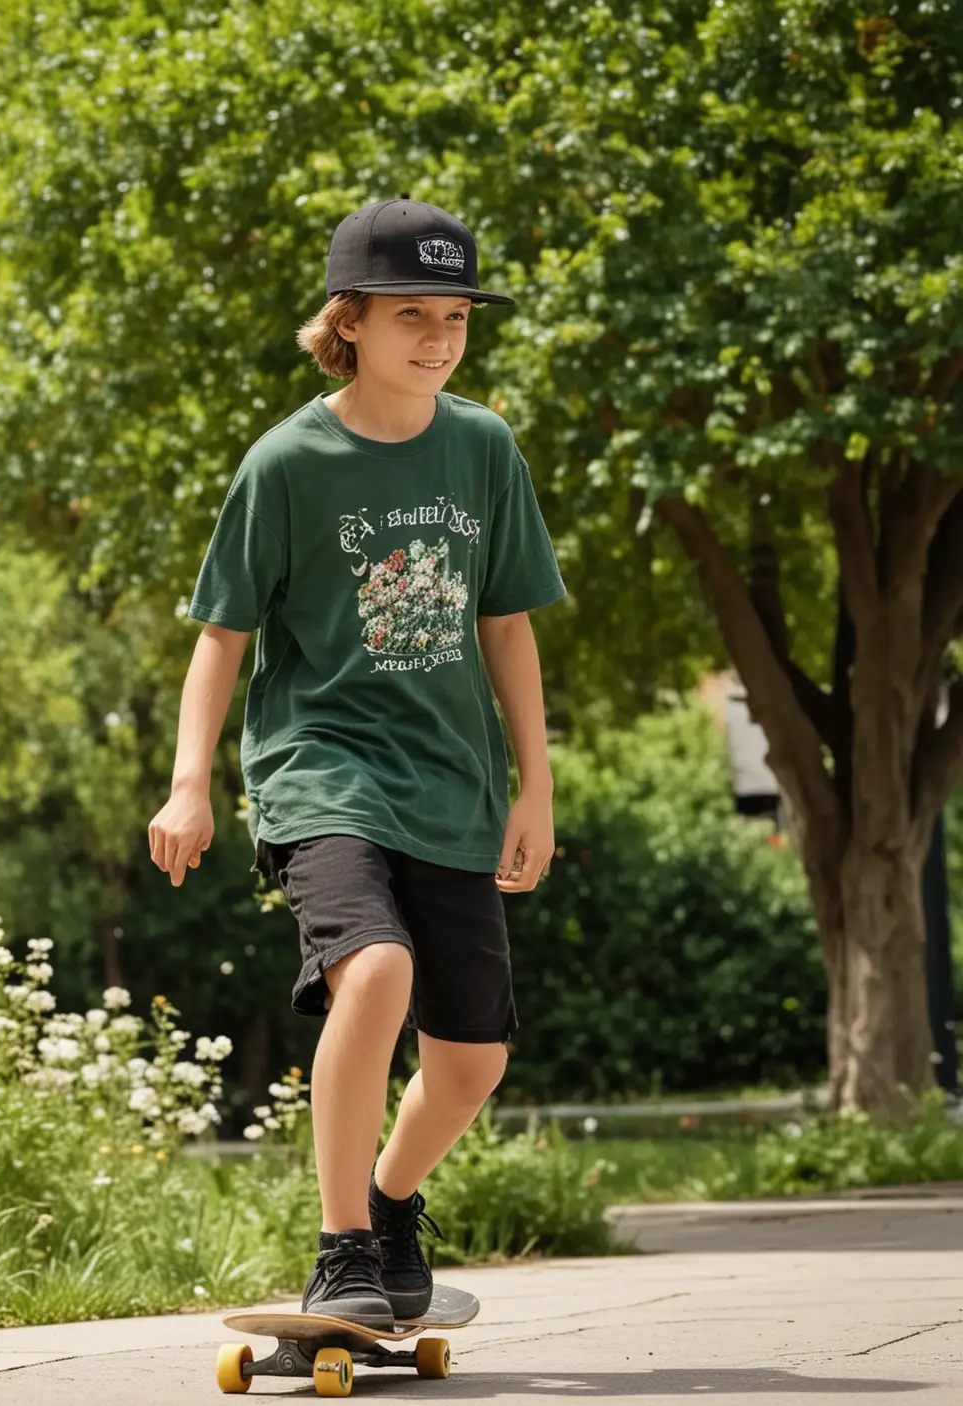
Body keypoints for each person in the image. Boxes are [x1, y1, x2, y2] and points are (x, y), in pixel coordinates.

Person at [148, 198, 566, 1329]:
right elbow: (222, 631)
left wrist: (536, 784)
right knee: (373, 971)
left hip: (453, 786)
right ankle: (340, 1253)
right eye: (410, 315)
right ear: (351, 322)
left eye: (455, 316)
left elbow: (509, 621)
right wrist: (191, 780)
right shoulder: (288, 462)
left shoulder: (482, 447)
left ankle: (387, 1206)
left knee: (472, 1063)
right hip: (320, 768)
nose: (437, 337)